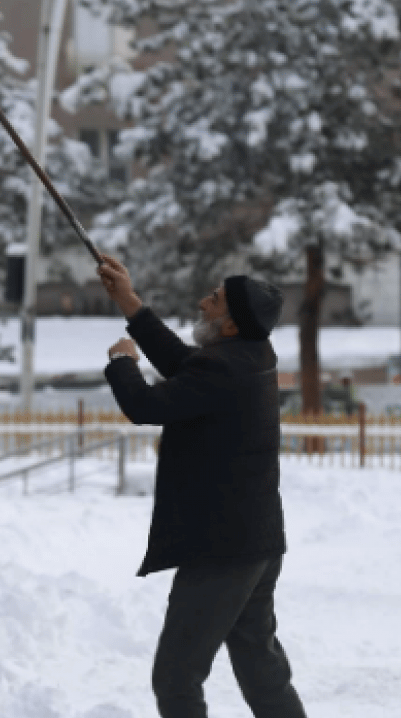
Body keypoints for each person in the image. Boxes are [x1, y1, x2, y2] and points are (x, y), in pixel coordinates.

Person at [97, 255, 307, 718]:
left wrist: (122, 362)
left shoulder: (226, 369)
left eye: (212, 301)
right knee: (260, 667)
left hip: (223, 551)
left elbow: (145, 404)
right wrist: (129, 302)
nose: (201, 303)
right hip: (257, 541)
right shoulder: (252, 355)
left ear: (231, 326)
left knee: (176, 676)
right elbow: (183, 362)